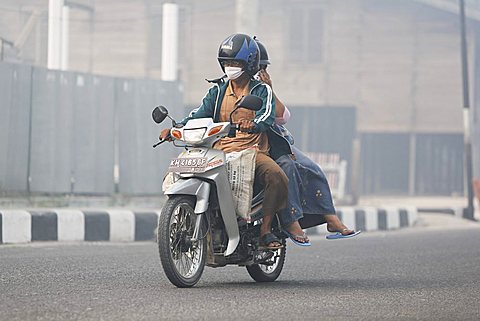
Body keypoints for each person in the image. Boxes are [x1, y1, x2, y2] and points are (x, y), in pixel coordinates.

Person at [160, 33, 289, 250]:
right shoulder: (217, 90)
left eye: (235, 63)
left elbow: (267, 115)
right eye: (227, 63)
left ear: (248, 64)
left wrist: (254, 124)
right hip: (220, 150)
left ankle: (266, 230)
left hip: (252, 150)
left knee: (277, 176)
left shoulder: (261, 90)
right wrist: (175, 128)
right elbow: (198, 114)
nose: (230, 67)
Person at [254, 38, 360, 243]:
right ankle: (290, 220)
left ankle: (330, 218)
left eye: (263, 68)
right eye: (259, 68)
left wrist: (269, 90)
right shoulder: (224, 89)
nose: (261, 72)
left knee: (311, 168)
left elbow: (282, 116)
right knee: (287, 166)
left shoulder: (262, 88)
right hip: (248, 144)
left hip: (273, 142)